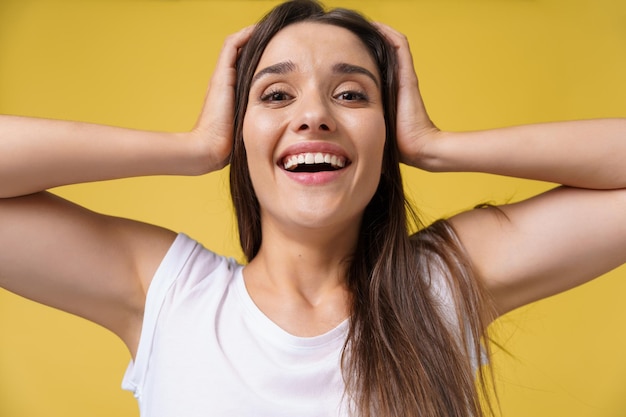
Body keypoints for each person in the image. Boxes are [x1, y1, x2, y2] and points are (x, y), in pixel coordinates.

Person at [1, 0, 624, 416]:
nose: (314, 114)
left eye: (351, 93)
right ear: (238, 132)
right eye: (276, 94)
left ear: (388, 133)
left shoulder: (444, 282)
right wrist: (190, 148)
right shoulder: (164, 293)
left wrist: (436, 147)